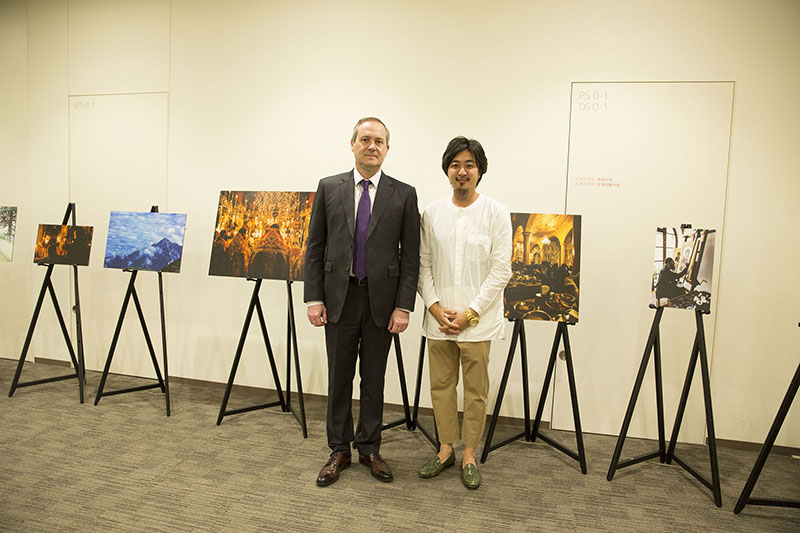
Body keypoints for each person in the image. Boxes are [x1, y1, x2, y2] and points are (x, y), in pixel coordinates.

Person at [304, 117, 420, 487]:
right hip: (338, 298)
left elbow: (411, 256)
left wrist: (403, 306)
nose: (372, 146)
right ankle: (339, 449)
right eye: (365, 139)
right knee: (339, 378)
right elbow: (315, 247)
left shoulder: (403, 194)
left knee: (374, 379)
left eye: (380, 141)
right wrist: (314, 298)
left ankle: (369, 447)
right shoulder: (328, 187)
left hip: (381, 303)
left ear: (387, 149)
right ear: (352, 144)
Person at [417, 136, 512, 489]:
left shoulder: (495, 212)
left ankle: (469, 453)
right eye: (455, 165)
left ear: (479, 171)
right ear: (447, 170)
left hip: (478, 323)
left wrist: (471, 313)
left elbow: (501, 269)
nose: (462, 171)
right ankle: (445, 449)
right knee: (441, 387)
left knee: (475, 390)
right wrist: (435, 307)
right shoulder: (432, 213)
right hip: (439, 321)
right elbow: (422, 265)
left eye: (469, 165)